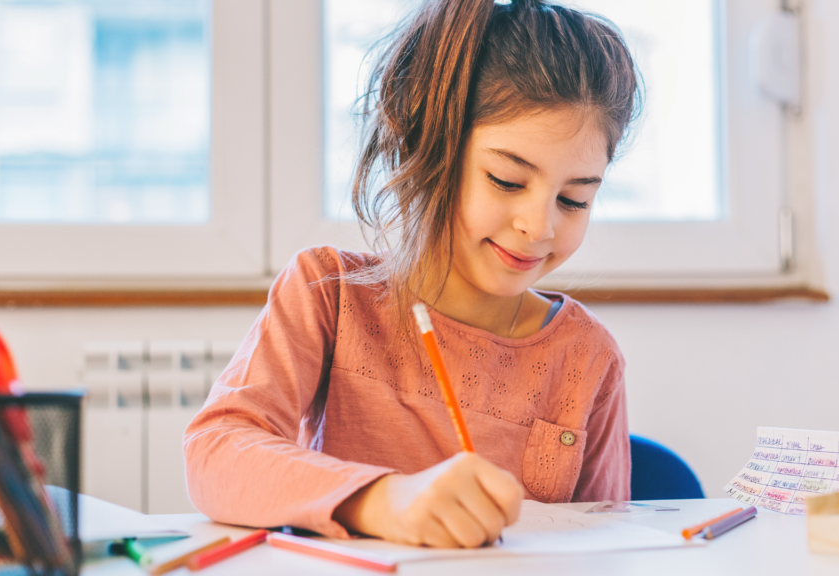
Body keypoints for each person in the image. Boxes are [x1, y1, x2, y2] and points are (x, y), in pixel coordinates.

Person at [184, 0, 641, 549]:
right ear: (429, 147)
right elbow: (216, 452)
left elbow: (611, 547)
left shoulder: (588, 357)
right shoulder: (327, 296)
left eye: (574, 199)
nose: (539, 227)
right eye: (506, 180)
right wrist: (383, 500)